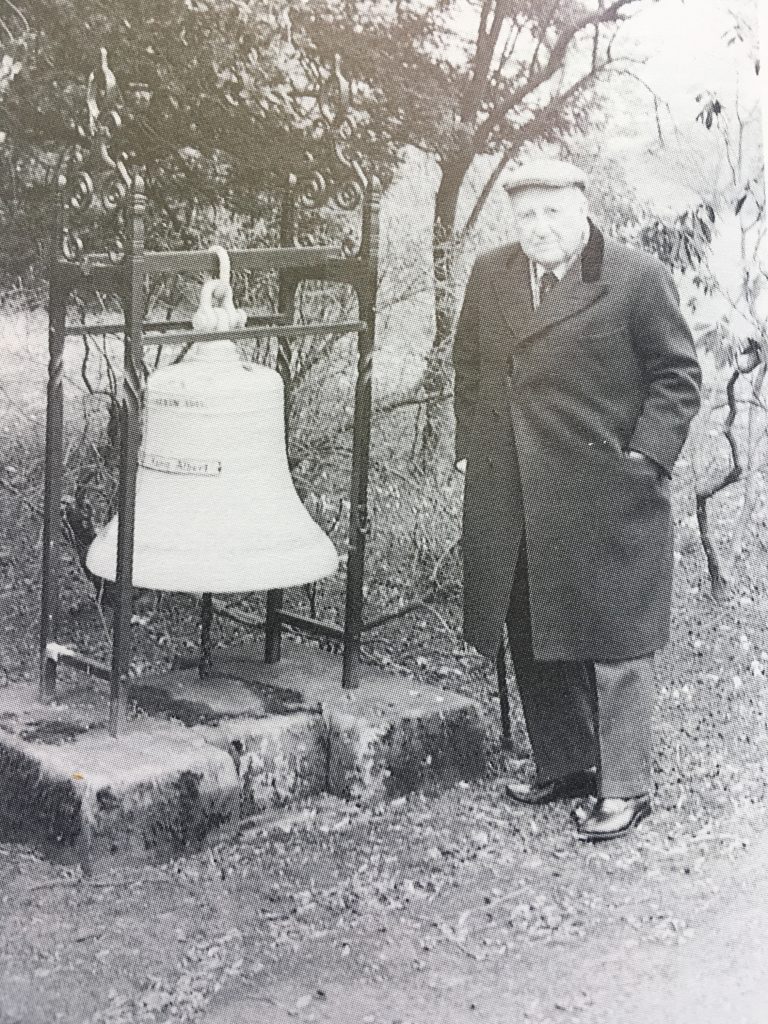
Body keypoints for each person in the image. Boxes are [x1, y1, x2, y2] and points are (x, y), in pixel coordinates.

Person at [452, 158, 702, 840]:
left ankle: (626, 787)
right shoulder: (493, 272)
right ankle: (567, 763)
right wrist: (472, 445)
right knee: (531, 623)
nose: (539, 228)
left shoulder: (635, 276)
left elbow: (677, 375)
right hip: (515, 486)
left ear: (582, 209)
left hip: (607, 488)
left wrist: (646, 457)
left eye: (552, 212)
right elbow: (469, 362)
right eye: (526, 215)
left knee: (616, 634)